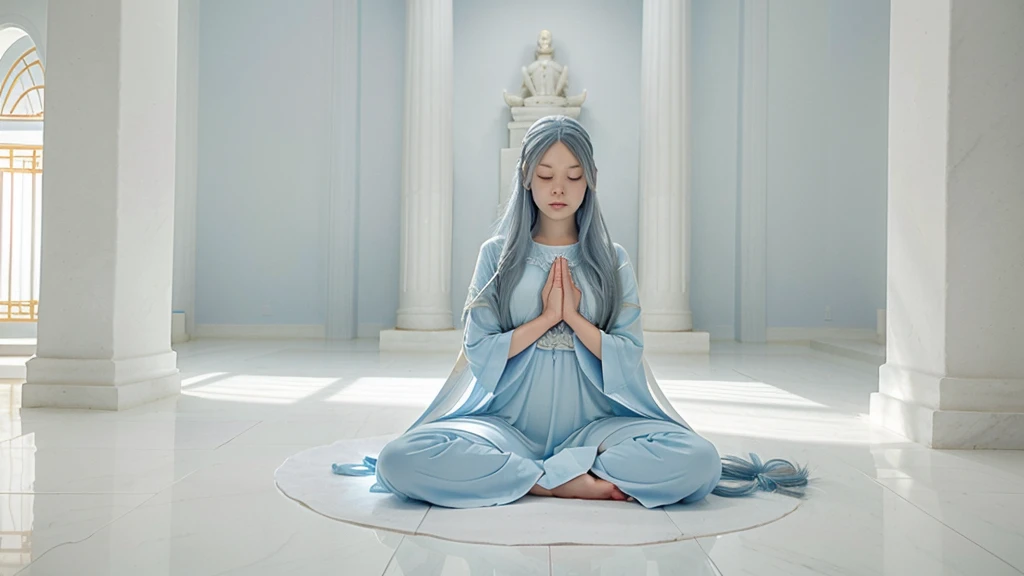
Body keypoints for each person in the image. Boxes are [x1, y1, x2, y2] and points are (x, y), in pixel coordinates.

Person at [334, 116, 808, 509]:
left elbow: (629, 354)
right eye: (545, 174)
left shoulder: (612, 258)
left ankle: (536, 476)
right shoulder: (496, 255)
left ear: (591, 180)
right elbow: (477, 352)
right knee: (400, 459)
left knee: (699, 461)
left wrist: (576, 320)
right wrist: (542, 320)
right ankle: (550, 481)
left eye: (573, 175)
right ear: (525, 177)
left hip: (597, 431)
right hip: (504, 426)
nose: (559, 187)